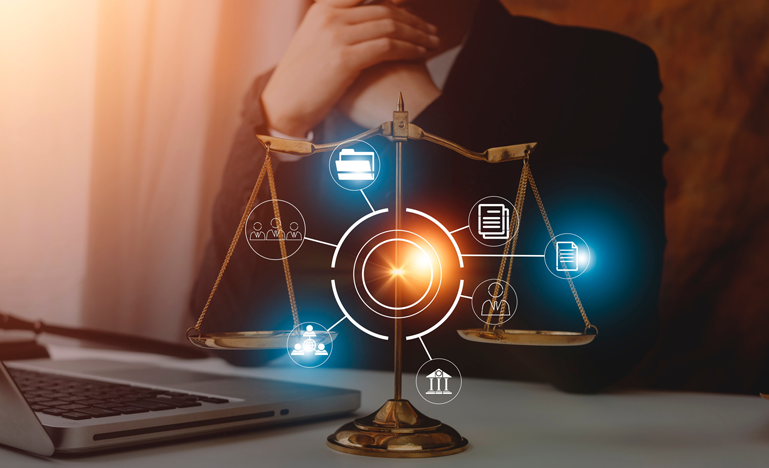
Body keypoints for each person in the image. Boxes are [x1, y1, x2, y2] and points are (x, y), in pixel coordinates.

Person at [191, 0, 666, 393]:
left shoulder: (601, 71)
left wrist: (432, 123)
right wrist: (279, 122)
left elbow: (595, 354)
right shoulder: (287, 87)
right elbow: (230, 335)